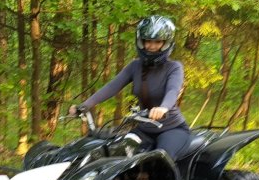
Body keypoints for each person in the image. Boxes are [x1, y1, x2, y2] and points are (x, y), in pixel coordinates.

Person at [69, 15, 191, 160]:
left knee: (161, 159)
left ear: (166, 43)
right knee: (116, 153)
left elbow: (173, 90)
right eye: (147, 41)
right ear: (141, 41)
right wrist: (85, 105)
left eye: (157, 41)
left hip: (172, 129)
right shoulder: (135, 66)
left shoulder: (174, 67)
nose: (151, 46)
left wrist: (163, 108)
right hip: (144, 129)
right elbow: (112, 86)